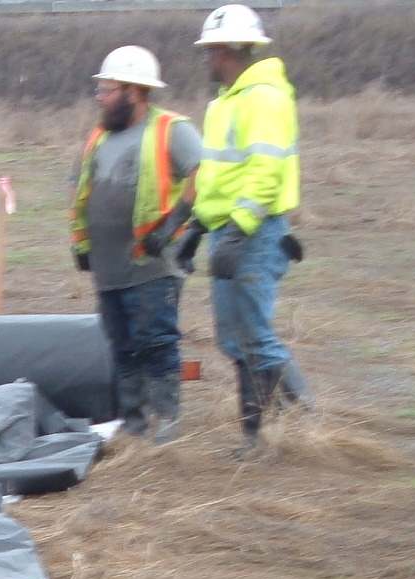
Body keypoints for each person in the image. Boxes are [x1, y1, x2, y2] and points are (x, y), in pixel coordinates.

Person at [175, 4, 307, 455]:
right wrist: (198, 226)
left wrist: (240, 227)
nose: (206, 59)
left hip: (254, 234)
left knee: (254, 336)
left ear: (230, 49)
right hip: (228, 232)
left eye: (210, 50)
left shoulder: (264, 97)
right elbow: (219, 177)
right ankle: (264, 433)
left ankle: (292, 425)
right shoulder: (226, 102)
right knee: (233, 339)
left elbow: (265, 171)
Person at [68, 45, 200, 444]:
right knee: (122, 348)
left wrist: (176, 221)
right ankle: (134, 425)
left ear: (134, 91)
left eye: (107, 90)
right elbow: (80, 190)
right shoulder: (98, 138)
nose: (100, 97)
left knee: (156, 342)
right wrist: (82, 242)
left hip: (152, 264)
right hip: (109, 266)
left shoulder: (171, 129)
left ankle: (167, 427)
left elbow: (204, 173)